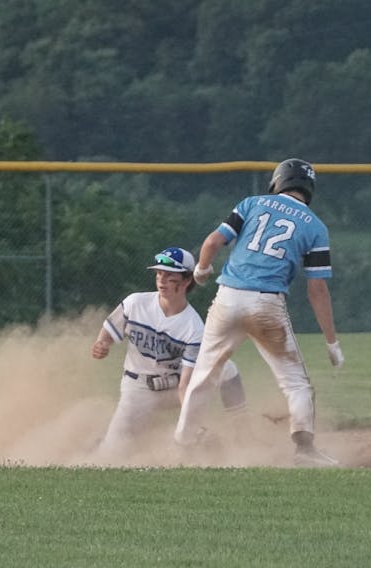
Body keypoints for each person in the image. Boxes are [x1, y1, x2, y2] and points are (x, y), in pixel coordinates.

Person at [173, 158, 344, 467]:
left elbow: (212, 242)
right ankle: (304, 450)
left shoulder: (252, 203)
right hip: (267, 304)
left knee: (204, 376)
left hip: (227, 298)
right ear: (309, 189)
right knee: (296, 384)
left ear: (278, 181)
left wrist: (200, 270)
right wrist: (332, 343)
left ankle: (182, 445)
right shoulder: (316, 226)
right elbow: (317, 289)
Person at [91, 246, 246, 460]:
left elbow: (185, 385)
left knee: (226, 368)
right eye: (159, 274)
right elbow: (108, 332)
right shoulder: (136, 303)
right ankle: (106, 442)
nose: (162, 280)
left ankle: (241, 429)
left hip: (174, 386)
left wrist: (192, 425)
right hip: (138, 389)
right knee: (111, 455)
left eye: (170, 276)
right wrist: (102, 344)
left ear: (186, 281)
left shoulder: (193, 327)